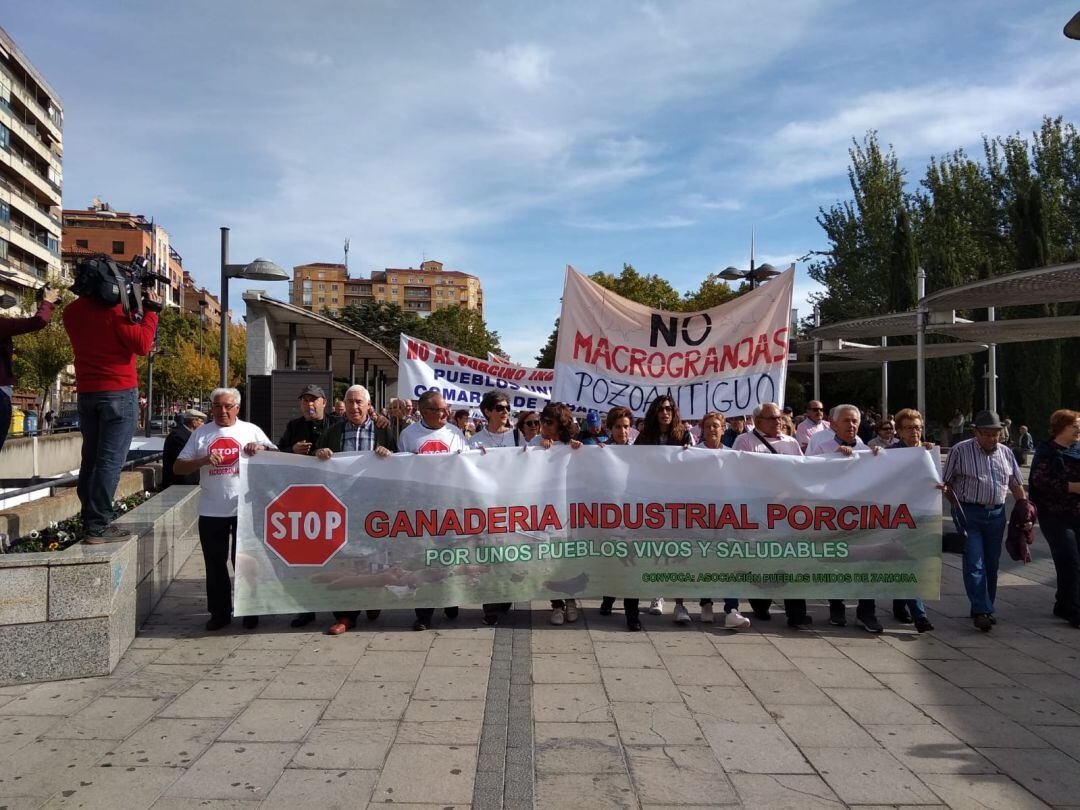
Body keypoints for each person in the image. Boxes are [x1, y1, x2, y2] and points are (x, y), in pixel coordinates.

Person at [173, 387, 276, 630]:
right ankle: (220, 613)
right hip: (211, 510)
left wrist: (260, 449)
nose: (222, 411)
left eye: (228, 406)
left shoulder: (251, 430)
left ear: (237, 408)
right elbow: (178, 467)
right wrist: (203, 460)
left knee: (245, 562)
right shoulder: (201, 434)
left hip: (245, 508)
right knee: (215, 563)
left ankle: (251, 609)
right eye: (217, 406)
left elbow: (275, 456)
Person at [64, 282, 159, 542]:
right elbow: (141, 344)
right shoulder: (116, 311)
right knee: (110, 462)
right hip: (118, 391)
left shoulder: (71, 312)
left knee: (91, 460)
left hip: (87, 392)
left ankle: (89, 520)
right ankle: (98, 526)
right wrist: (150, 312)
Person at [312, 384, 397, 635]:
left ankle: (371, 600)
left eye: (359, 402)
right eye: (350, 402)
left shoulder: (383, 431)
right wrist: (320, 452)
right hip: (343, 504)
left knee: (375, 556)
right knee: (345, 558)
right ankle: (345, 615)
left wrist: (388, 453)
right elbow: (316, 458)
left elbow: (401, 461)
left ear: (369, 405)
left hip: (375, 504)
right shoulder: (333, 431)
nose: (354, 406)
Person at [942, 410, 1027, 632]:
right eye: (987, 434)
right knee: (974, 561)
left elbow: (1016, 484)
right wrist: (956, 506)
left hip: (997, 514)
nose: (992, 438)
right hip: (969, 512)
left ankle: (984, 604)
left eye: (995, 434)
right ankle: (982, 610)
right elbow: (946, 483)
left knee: (991, 563)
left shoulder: (1006, 453)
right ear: (976, 432)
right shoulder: (960, 451)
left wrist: (1024, 510)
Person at [806, 404, 882, 632]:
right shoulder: (821, 447)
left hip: (861, 518)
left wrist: (878, 459)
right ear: (834, 424)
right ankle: (836, 608)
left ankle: (866, 612)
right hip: (832, 517)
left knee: (866, 563)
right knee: (836, 562)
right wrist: (832, 460)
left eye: (855, 421)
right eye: (846, 421)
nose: (851, 425)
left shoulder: (867, 449)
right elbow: (805, 474)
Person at [398, 390, 466, 630]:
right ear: (425, 412)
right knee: (424, 558)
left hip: (450, 507)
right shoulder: (408, 436)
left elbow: (468, 467)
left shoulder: (456, 434)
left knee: (450, 556)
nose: (446, 413)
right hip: (422, 509)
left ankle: (450, 599)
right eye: (439, 410)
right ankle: (424, 614)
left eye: (446, 409)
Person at [731, 402, 803, 623]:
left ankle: (796, 614)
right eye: (772, 418)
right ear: (758, 421)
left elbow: (803, 471)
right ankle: (760, 603)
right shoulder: (745, 442)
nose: (778, 421)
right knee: (763, 559)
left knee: (790, 560)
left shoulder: (791, 442)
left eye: (779, 417)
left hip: (787, 512)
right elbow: (738, 476)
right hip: (758, 512)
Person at [469, 391, 527, 624]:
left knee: (509, 553)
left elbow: (530, 462)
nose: (505, 412)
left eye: (507, 408)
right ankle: (490, 606)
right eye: (500, 408)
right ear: (487, 412)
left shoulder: (516, 436)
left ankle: (504, 595)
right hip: (486, 505)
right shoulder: (475, 440)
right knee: (488, 554)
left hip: (512, 504)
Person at [689, 411, 751, 630]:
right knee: (705, 557)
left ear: (723, 428)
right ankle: (706, 602)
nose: (712, 430)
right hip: (700, 516)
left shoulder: (732, 455)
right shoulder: (693, 453)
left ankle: (731, 609)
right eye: (708, 426)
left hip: (726, 516)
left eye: (716, 426)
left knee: (728, 559)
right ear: (702, 430)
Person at [636, 395, 694, 620]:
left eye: (669, 409)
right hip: (652, 500)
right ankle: (657, 593)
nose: (665, 413)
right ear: (655, 412)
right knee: (656, 549)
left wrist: (690, 452)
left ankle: (680, 604)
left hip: (677, 499)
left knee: (678, 550)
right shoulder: (645, 436)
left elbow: (694, 465)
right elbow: (631, 460)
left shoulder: (684, 435)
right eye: (661, 409)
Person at [1028, 409, 1080, 628]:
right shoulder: (1047, 452)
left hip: (1078, 513)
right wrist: (1072, 487)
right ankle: (1074, 610)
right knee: (1070, 559)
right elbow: (1039, 483)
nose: (1078, 430)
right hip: (1054, 515)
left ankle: (1064, 603)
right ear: (1061, 428)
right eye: (1074, 426)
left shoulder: (1078, 450)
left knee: (1074, 562)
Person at [887, 408, 935, 632]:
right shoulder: (891, 453)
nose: (915, 432)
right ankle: (920, 614)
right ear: (899, 431)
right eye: (909, 428)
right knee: (908, 563)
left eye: (918, 427)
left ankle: (899, 605)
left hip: (922, 516)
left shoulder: (929, 452)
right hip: (898, 517)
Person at [537, 402, 584, 624]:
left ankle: (571, 600)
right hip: (547, 512)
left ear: (561, 424)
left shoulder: (572, 446)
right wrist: (539, 447)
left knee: (568, 560)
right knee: (550, 560)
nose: (544, 426)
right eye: (542, 421)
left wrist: (576, 448)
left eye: (549, 422)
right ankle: (556, 604)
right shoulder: (538, 445)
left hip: (569, 512)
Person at [597, 406, 644, 631]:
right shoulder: (600, 451)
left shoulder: (640, 451)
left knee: (630, 564)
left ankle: (632, 615)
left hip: (633, 516)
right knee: (614, 561)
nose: (623, 431)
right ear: (610, 428)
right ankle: (608, 597)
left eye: (626, 426)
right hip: (610, 516)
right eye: (618, 427)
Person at [278, 384, 338, 457]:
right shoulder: (293, 426)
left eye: (313, 400)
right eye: (305, 400)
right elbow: (279, 450)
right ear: (300, 403)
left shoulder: (336, 423)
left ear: (324, 403)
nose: (309, 404)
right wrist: (293, 449)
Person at [162, 408, 206, 487]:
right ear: (194, 422)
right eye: (202, 421)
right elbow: (183, 461)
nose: (204, 425)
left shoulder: (189, 435)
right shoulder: (178, 437)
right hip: (179, 485)